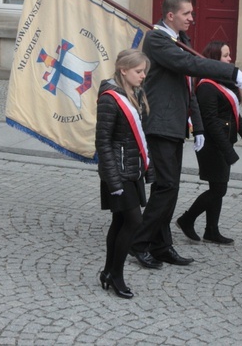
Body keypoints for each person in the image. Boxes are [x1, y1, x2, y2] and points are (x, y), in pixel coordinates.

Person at [128, 0, 242, 269]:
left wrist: (197, 126)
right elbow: (189, 64)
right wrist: (231, 72)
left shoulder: (180, 41)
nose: (192, 18)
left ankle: (162, 246)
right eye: (187, 14)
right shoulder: (156, 39)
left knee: (170, 190)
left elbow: (188, 88)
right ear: (171, 15)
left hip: (174, 125)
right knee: (166, 187)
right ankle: (138, 244)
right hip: (160, 123)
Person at [176, 41, 242, 245]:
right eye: (225, 56)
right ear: (214, 60)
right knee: (218, 189)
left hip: (223, 142)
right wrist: (228, 150)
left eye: (229, 55)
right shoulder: (207, 87)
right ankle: (187, 219)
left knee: (218, 186)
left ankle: (212, 230)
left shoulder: (223, 83)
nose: (230, 59)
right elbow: (210, 121)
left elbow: (233, 113)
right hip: (212, 145)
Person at [95, 49, 155, 299]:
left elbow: (138, 137)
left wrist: (146, 169)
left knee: (120, 222)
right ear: (124, 70)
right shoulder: (111, 99)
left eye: (144, 72)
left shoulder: (135, 94)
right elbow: (103, 142)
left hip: (132, 169)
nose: (143, 76)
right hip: (117, 173)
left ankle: (109, 272)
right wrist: (113, 180)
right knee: (133, 221)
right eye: (139, 71)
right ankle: (117, 275)